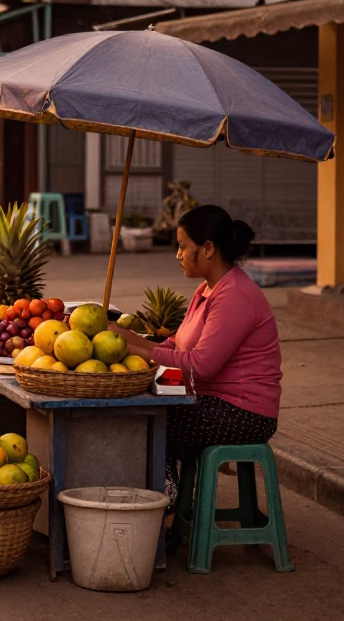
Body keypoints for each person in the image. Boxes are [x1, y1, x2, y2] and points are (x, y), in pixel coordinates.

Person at [111, 204, 281, 502]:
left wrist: (135, 348)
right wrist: (128, 340)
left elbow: (199, 367)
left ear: (207, 249)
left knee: (153, 418)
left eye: (181, 246)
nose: (178, 255)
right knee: (144, 408)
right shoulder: (206, 290)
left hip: (242, 412)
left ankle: (165, 505)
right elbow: (174, 346)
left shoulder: (235, 296)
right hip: (211, 401)